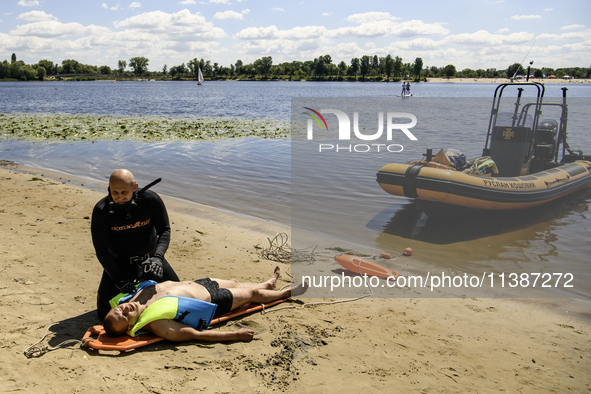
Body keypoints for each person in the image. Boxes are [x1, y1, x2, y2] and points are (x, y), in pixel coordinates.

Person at [103, 267, 306, 342]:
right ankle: (286, 292)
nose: (123, 310)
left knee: (236, 283)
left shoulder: (130, 298)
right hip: (213, 301)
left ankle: (268, 284)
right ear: (130, 326)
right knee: (252, 295)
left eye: (117, 310)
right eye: (123, 317)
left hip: (200, 284)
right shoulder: (156, 324)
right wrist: (234, 335)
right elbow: (193, 335)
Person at [91, 169, 180, 320]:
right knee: (104, 314)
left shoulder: (150, 200)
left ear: (134, 187)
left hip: (151, 260)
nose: (120, 197)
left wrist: (158, 257)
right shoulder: (102, 210)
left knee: (179, 300)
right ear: (109, 188)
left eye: (124, 192)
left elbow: (164, 230)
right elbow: (101, 249)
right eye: (115, 192)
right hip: (120, 263)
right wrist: (117, 278)